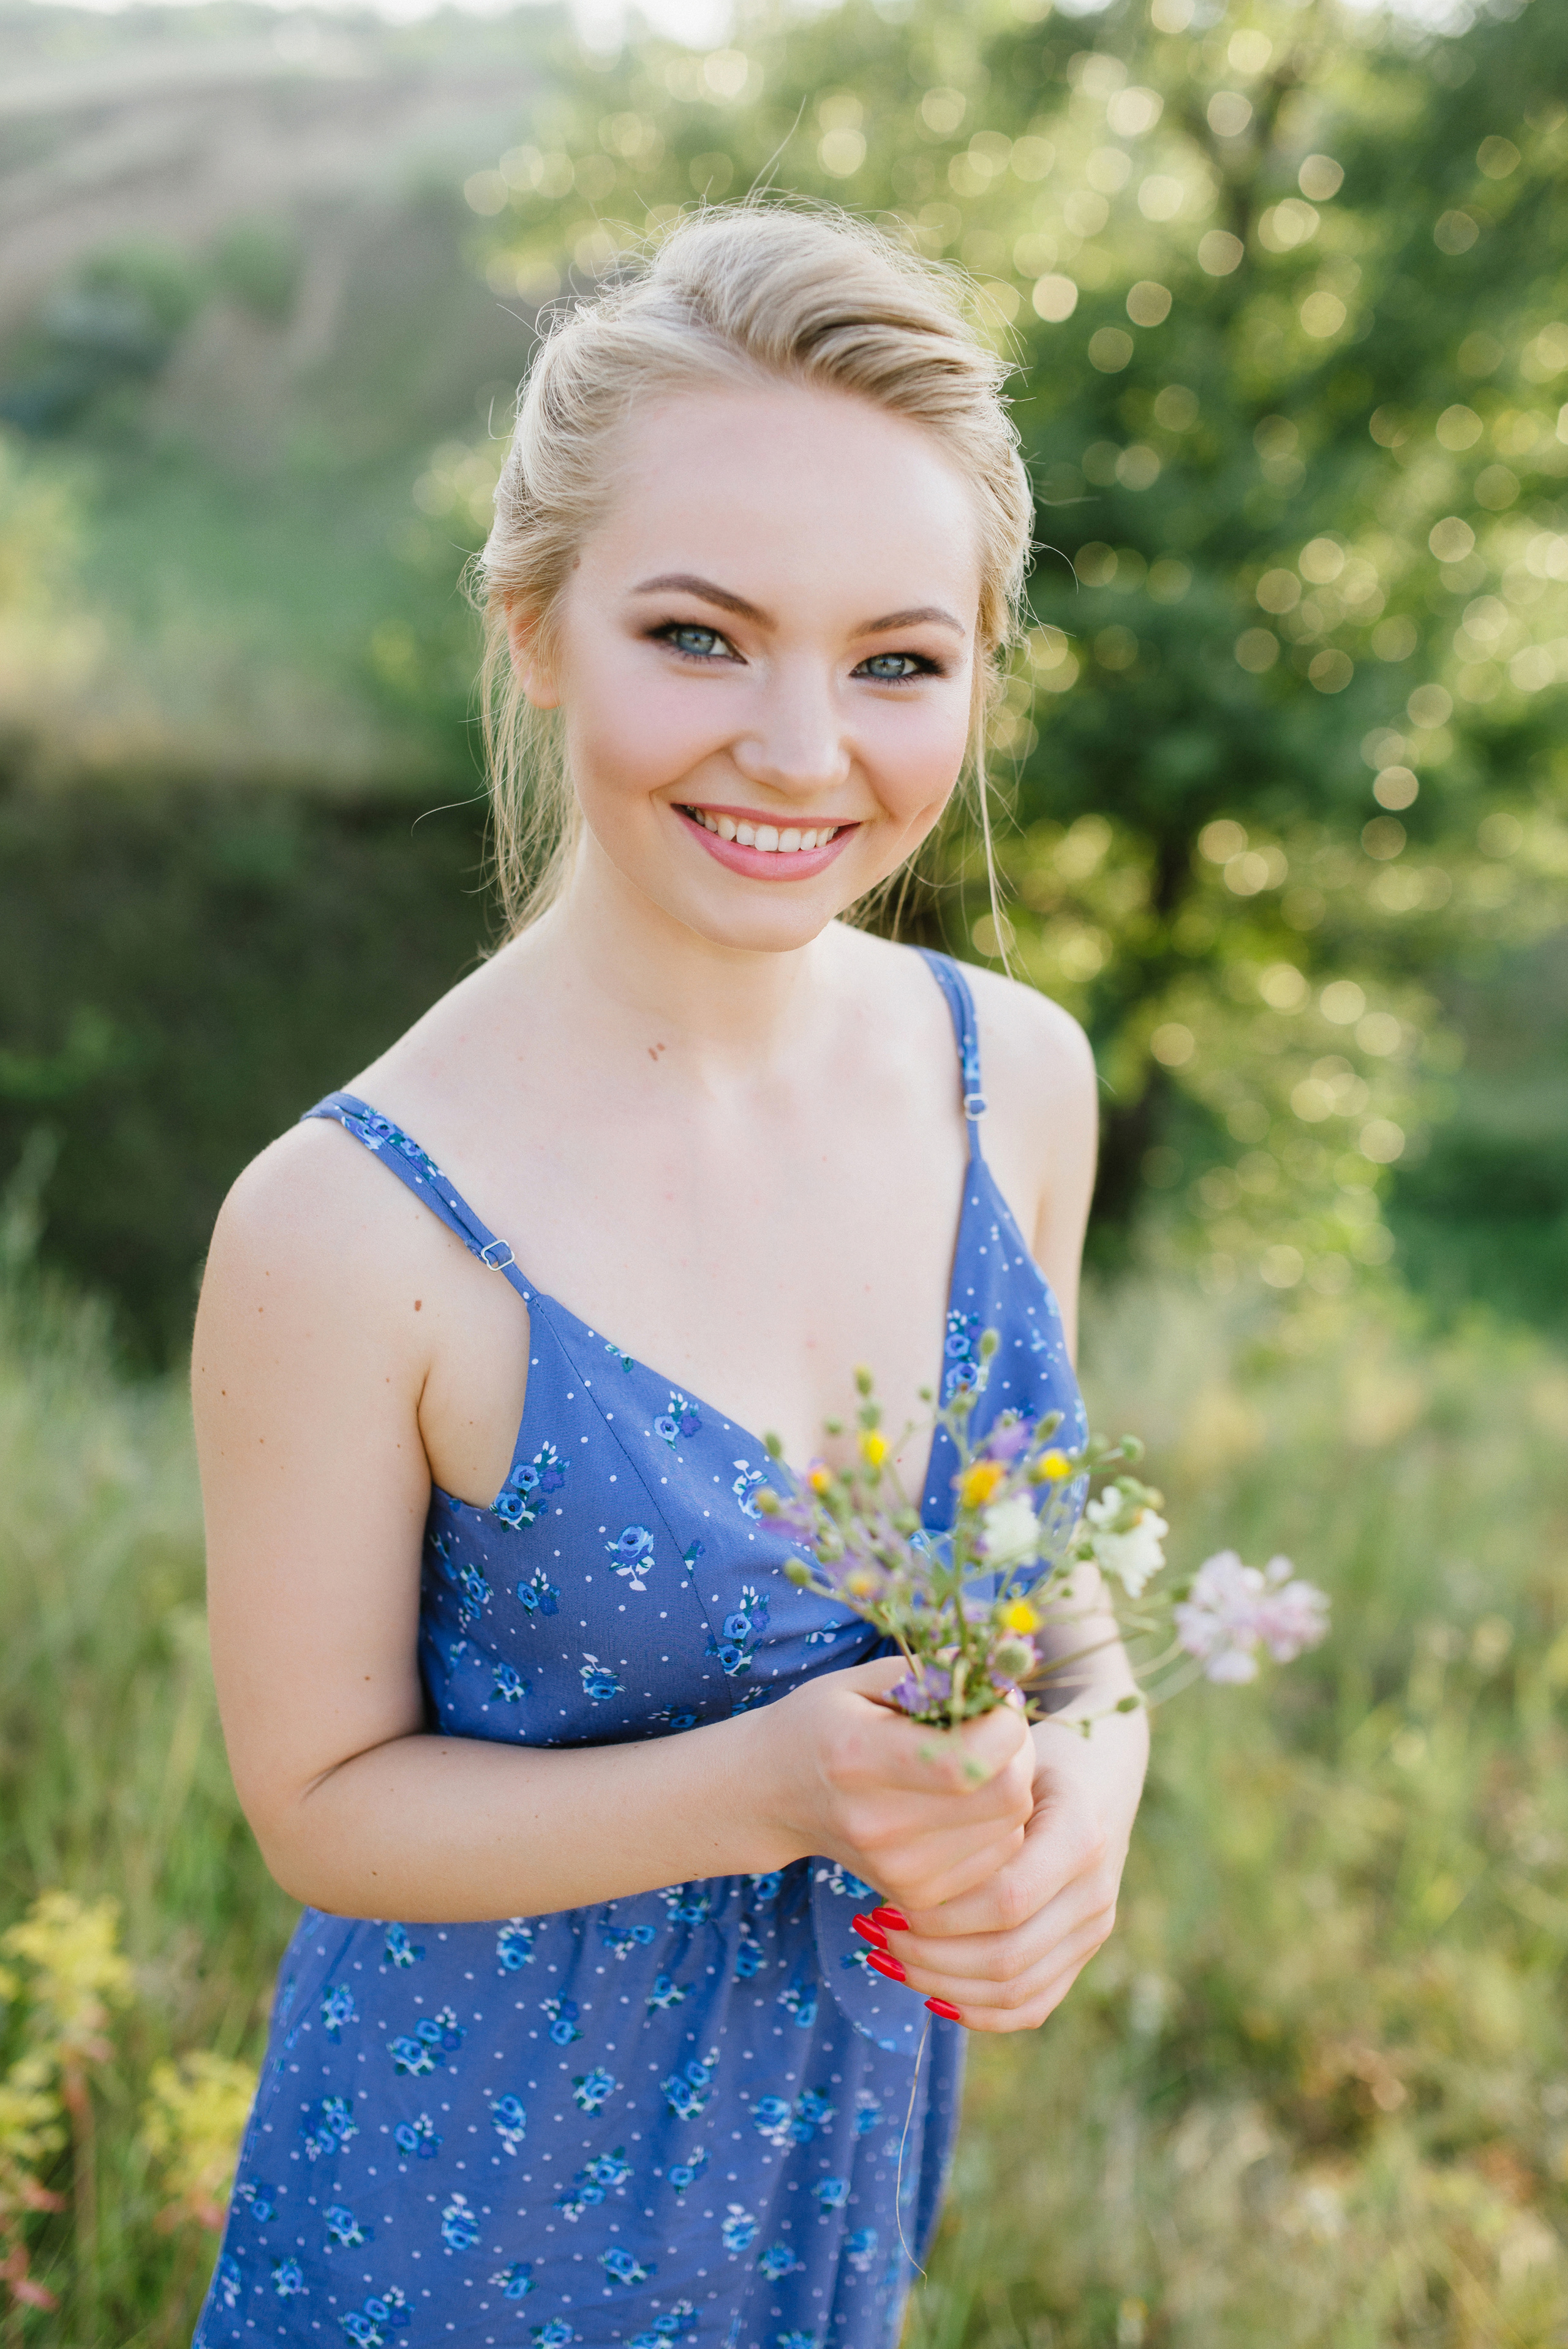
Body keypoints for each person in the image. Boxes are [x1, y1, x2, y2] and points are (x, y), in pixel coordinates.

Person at [190, 203, 1148, 2349]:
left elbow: (1042, 1567)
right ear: (536, 625)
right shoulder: (353, 1228)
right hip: (463, 2234)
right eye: (701, 636)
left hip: (831, 2185)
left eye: (897, 659)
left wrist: (1103, 1765)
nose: (804, 749)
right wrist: (774, 1785)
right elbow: (323, 1810)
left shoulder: (1021, 1085)